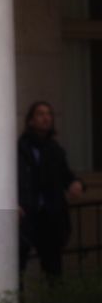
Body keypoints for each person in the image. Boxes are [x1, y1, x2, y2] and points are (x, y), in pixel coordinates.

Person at [18, 100, 86, 281]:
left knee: (53, 267)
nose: (46, 118)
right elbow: (7, 179)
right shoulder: (19, 149)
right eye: (40, 114)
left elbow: (66, 176)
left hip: (50, 215)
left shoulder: (55, 149)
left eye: (49, 114)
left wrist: (76, 183)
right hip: (25, 214)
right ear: (31, 120)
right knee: (17, 264)